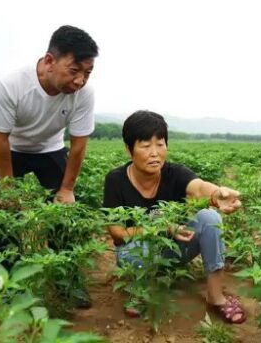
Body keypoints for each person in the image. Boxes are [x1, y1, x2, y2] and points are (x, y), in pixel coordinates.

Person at [0, 25, 99, 308]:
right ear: (49, 61)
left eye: (87, 72)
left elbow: (79, 143)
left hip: (50, 148)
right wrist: (8, 190)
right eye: (74, 70)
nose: (80, 80)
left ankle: (69, 283)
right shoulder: (9, 84)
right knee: (4, 220)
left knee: (65, 216)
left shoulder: (83, 93)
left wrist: (67, 188)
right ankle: (3, 286)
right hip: (10, 149)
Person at [103, 110, 246, 324]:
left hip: (175, 249)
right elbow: (117, 233)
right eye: (145, 145)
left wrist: (217, 194)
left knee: (209, 218)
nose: (154, 153)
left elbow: (197, 188)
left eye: (160, 144)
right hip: (136, 255)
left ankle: (216, 297)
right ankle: (139, 292)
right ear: (129, 149)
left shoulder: (175, 173)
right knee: (135, 249)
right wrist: (161, 228)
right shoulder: (116, 180)